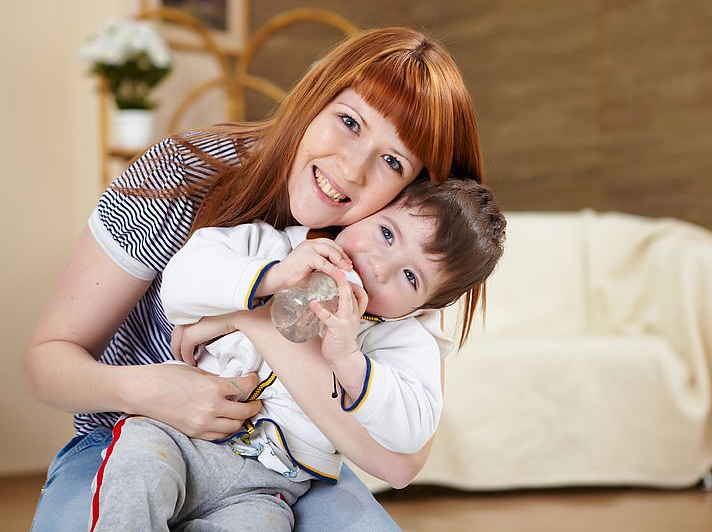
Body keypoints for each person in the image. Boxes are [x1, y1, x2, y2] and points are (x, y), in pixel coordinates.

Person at [22, 26, 487, 532]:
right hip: (131, 430)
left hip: (282, 468)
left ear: (413, 191)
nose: (352, 170)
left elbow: (399, 464)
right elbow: (43, 364)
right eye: (349, 122)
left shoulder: (397, 261)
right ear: (315, 98)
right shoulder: (180, 175)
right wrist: (146, 390)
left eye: (392, 161)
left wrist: (254, 322)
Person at [88, 178, 506, 531]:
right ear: (370, 211)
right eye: (387, 233)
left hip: (268, 485)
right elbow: (180, 280)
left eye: (410, 277)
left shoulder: (401, 340)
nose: (379, 266)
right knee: (137, 474)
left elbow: (412, 429)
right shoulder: (270, 244)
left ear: (422, 307)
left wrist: (349, 361)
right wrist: (272, 276)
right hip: (178, 437)